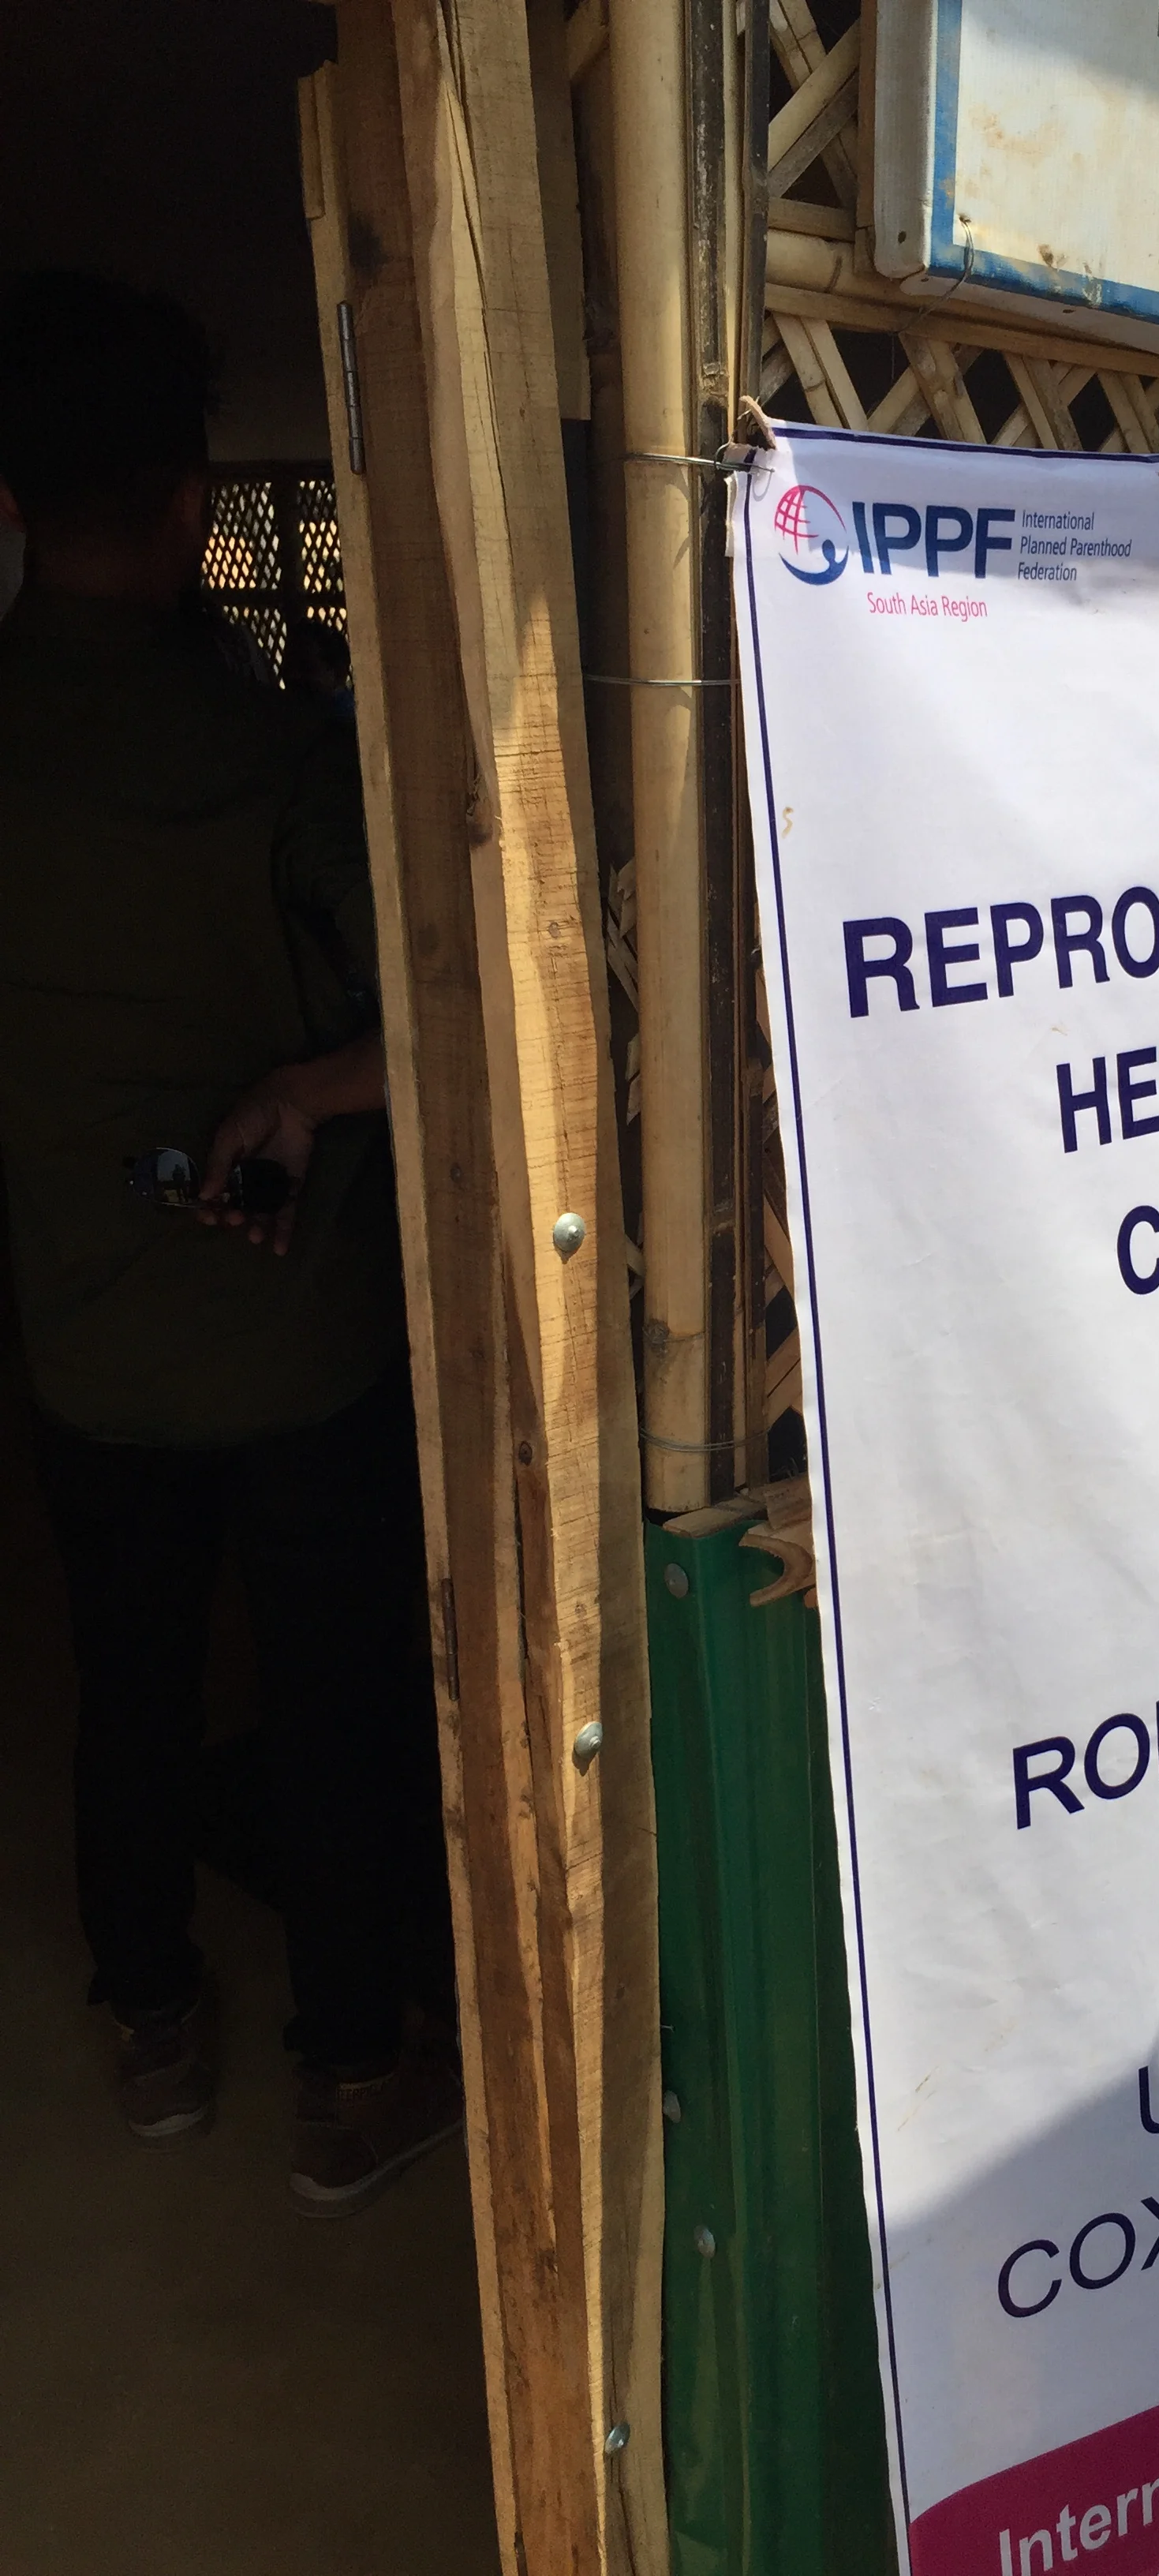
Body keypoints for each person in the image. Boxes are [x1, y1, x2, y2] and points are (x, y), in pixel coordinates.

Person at [0, 271, 458, 2215]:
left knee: (129, 1675)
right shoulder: (282, 760)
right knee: (338, 1690)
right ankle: (352, 2077)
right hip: (298, 1341)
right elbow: (438, 1015)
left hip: (87, 1342)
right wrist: (295, 1100)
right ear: (198, 507)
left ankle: (152, 2025)